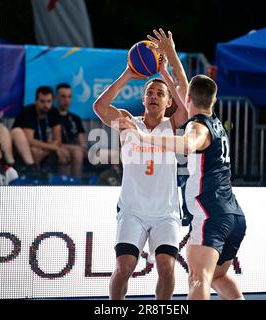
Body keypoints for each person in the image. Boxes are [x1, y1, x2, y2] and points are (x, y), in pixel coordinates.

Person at [119, 70, 246, 299]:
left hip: (211, 216)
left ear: (186, 100)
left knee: (199, 278)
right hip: (234, 215)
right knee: (218, 277)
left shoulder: (197, 126)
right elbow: (185, 89)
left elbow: (187, 144)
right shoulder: (216, 123)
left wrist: (145, 137)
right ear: (213, 100)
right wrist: (169, 63)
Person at [93, 30, 188, 300]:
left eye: (161, 94)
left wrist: (165, 72)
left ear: (168, 102)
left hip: (165, 212)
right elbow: (100, 107)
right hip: (132, 210)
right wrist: (128, 74)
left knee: (167, 268)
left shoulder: (173, 124)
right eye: (150, 92)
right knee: (124, 267)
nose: (154, 96)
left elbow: (188, 108)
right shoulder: (127, 121)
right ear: (144, 99)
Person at [12, 86, 69, 174]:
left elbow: (58, 140)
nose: (46, 105)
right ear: (36, 101)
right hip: (23, 147)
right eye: (42, 101)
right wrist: (55, 148)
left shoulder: (54, 112)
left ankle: (66, 183)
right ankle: (34, 179)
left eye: (49, 101)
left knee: (64, 154)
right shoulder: (28, 111)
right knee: (34, 151)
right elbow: (29, 141)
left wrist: (46, 151)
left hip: (43, 146)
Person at [55, 83, 87, 179]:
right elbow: (53, 142)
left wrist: (83, 148)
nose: (66, 100)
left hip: (76, 149)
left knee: (110, 155)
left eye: (69, 97)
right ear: (56, 97)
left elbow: (82, 143)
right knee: (75, 153)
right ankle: (69, 185)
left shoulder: (75, 118)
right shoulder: (51, 116)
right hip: (60, 148)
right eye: (63, 96)